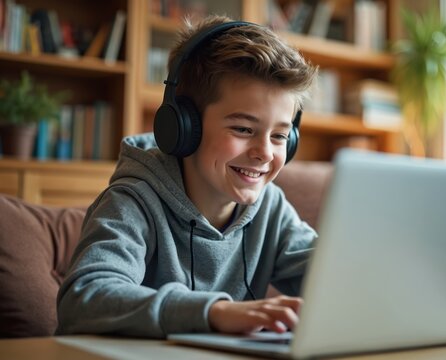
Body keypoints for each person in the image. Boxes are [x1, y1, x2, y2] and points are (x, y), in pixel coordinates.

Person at [56, 15, 318, 338]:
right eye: (243, 129)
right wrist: (213, 312)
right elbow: (84, 296)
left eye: (279, 136)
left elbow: (334, 275)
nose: (265, 153)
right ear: (183, 127)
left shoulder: (271, 208)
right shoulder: (135, 200)